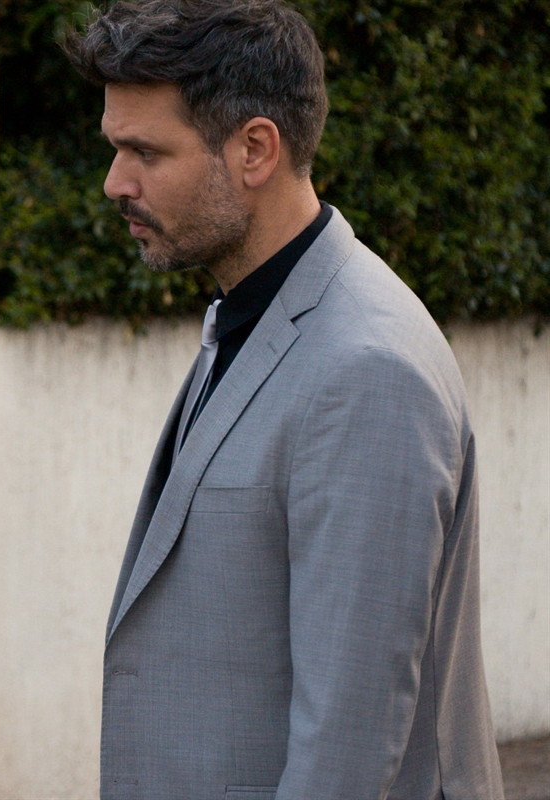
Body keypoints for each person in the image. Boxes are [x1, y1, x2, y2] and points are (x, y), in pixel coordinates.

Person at [64, 2, 504, 798]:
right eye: (114, 148)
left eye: (144, 152)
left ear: (254, 149)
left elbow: (348, 741)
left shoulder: (366, 367)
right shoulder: (254, 313)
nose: (114, 183)